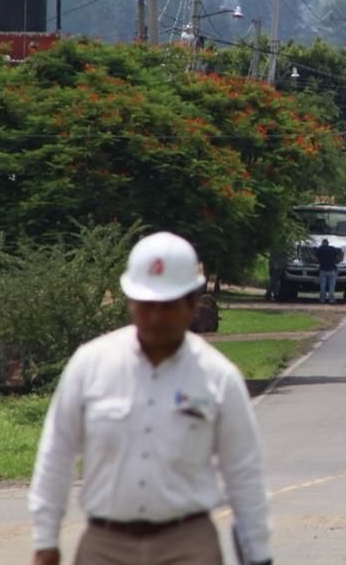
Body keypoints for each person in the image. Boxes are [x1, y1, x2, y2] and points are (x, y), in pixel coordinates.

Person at [28, 231, 273, 565]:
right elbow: (55, 454)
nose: (156, 317)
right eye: (147, 305)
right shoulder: (91, 365)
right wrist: (45, 542)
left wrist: (258, 554)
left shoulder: (218, 377)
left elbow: (244, 472)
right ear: (130, 302)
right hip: (105, 546)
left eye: (168, 306)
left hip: (189, 546)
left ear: (192, 303)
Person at [314, 238, 340, 304]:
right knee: (332, 286)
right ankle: (331, 300)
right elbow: (337, 258)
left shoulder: (320, 249)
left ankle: (322, 299)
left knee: (323, 286)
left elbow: (316, 259)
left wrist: (319, 262)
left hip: (323, 270)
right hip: (332, 270)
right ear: (328, 243)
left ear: (322, 243)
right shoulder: (332, 249)